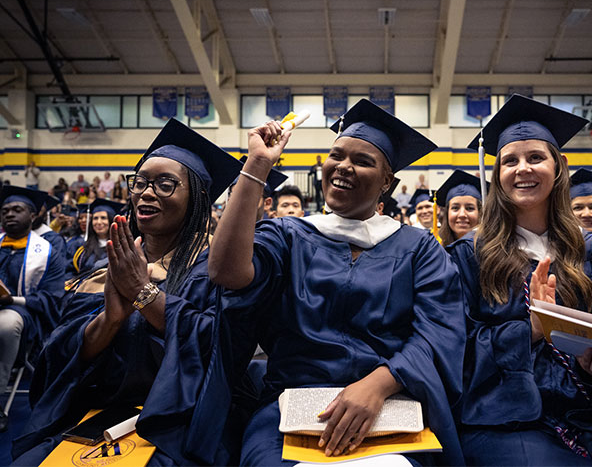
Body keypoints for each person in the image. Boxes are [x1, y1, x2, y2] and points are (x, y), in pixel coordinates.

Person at [208, 99, 466, 465]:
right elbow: (226, 273)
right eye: (337, 155)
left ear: (386, 182)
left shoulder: (418, 247)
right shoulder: (289, 234)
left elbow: (440, 330)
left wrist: (379, 384)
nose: (344, 166)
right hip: (292, 408)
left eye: (362, 161)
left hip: (390, 404)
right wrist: (258, 165)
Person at [448, 95, 592, 466]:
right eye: (509, 161)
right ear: (496, 174)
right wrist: (532, 329)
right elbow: (456, 348)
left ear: (560, 165)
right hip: (507, 420)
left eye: (536, 157)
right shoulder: (470, 255)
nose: (523, 169)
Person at [11, 118, 243, 465]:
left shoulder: (217, 270)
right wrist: (109, 320)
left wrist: (144, 294)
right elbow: (58, 358)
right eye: (141, 183)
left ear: (197, 199)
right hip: (98, 417)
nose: (147, 193)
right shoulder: (108, 269)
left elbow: (223, 351)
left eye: (166, 184)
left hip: (179, 426)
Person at [0, 186, 66, 433]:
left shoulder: (48, 251)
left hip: (25, 316)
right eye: (5, 210)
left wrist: (12, 300)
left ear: (32, 215)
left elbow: (52, 297)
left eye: (17, 210)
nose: (9, 214)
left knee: (5, 323)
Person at [65, 199, 126, 283]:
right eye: (95, 218)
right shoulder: (81, 247)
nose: (99, 222)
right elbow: (69, 271)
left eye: (103, 218)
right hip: (83, 292)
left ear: (111, 220)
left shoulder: (121, 247)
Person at [436, 170, 482, 246]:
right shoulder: (435, 248)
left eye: (469, 208)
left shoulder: (491, 250)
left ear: (480, 212)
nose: (462, 214)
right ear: (447, 213)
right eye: (455, 208)